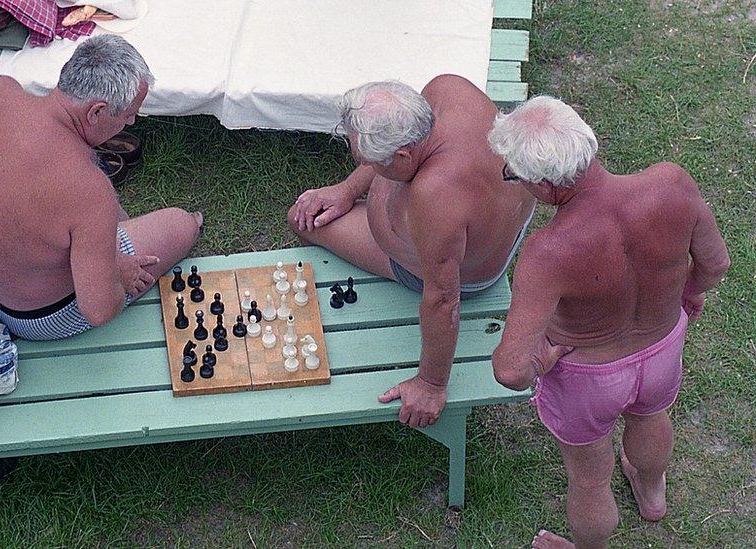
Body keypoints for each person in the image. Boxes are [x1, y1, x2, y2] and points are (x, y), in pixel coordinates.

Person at [487, 97, 730, 549]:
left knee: (590, 480)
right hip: (661, 347)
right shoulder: (672, 184)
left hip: (588, 377)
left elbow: (510, 371)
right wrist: (688, 291)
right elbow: (716, 265)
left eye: (514, 174)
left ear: (543, 184)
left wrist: (542, 359)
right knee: (652, 416)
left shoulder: (548, 252)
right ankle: (653, 494)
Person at [0, 35, 202, 342]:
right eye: (129, 113)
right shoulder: (88, 188)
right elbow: (98, 310)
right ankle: (184, 226)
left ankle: (98, 249)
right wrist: (117, 276)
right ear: (96, 111)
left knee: (106, 220)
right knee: (179, 224)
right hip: (32, 318)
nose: (131, 121)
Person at [288, 76, 537, 428]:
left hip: (468, 276)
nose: (371, 171)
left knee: (304, 221)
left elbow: (442, 299)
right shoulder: (448, 89)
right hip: (493, 225)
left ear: (404, 155)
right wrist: (347, 190)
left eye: (376, 165)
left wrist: (431, 384)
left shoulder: (435, 198)